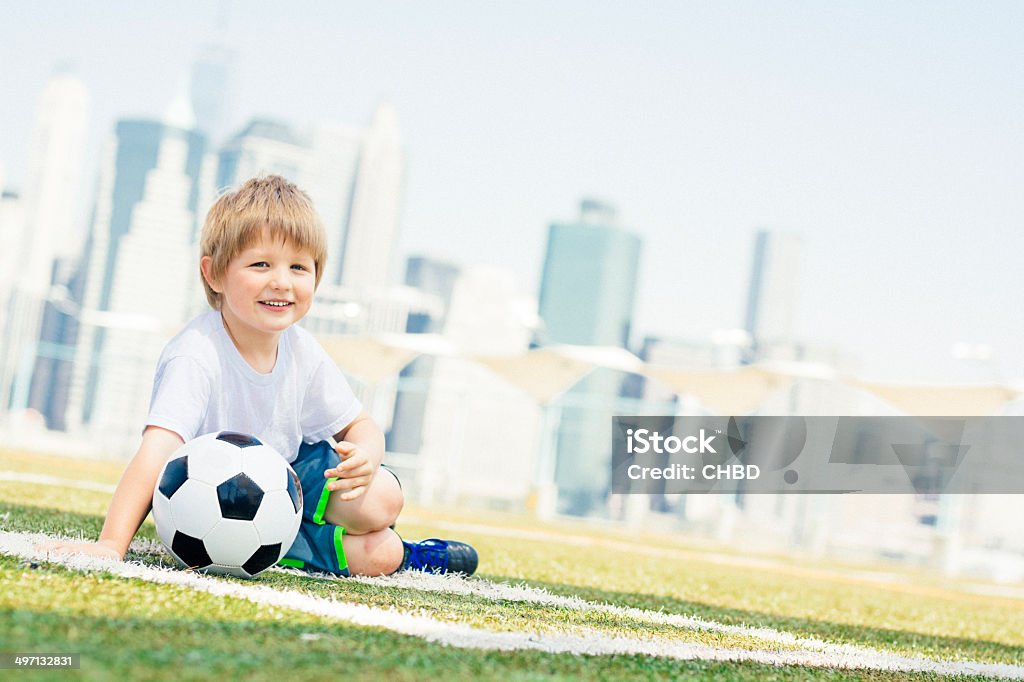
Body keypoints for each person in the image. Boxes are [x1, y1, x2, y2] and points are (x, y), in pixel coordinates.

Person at [41, 175, 478, 577]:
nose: (281, 283)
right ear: (213, 274)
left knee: (385, 497)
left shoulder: (302, 350)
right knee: (381, 555)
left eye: (298, 268)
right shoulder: (196, 355)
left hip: (297, 473)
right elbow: (155, 453)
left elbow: (358, 424)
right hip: (227, 501)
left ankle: (369, 537)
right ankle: (391, 553)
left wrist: (364, 453)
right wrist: (110, 546)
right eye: (261, 265)